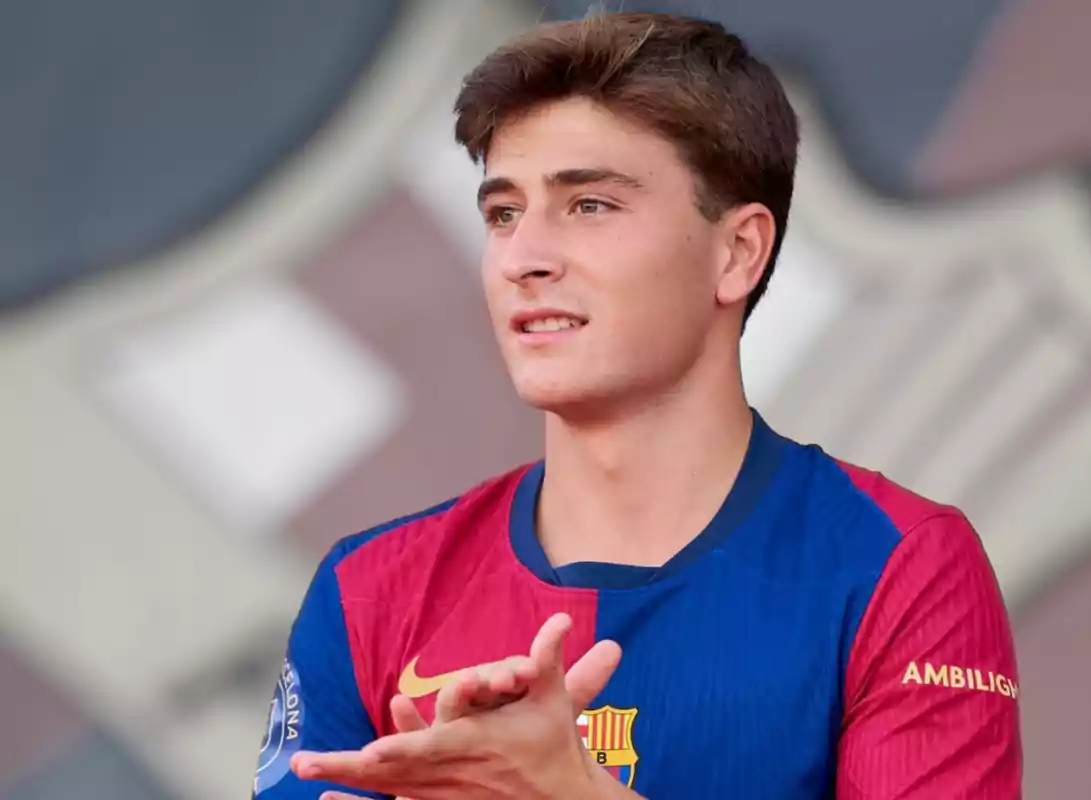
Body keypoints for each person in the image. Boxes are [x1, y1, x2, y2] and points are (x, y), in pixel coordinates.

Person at [252, 11, 1022, 800]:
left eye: (590, 205)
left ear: (738, 252)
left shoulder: (899, 565)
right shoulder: (371, 587)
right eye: (503, 213)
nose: (525, 257)